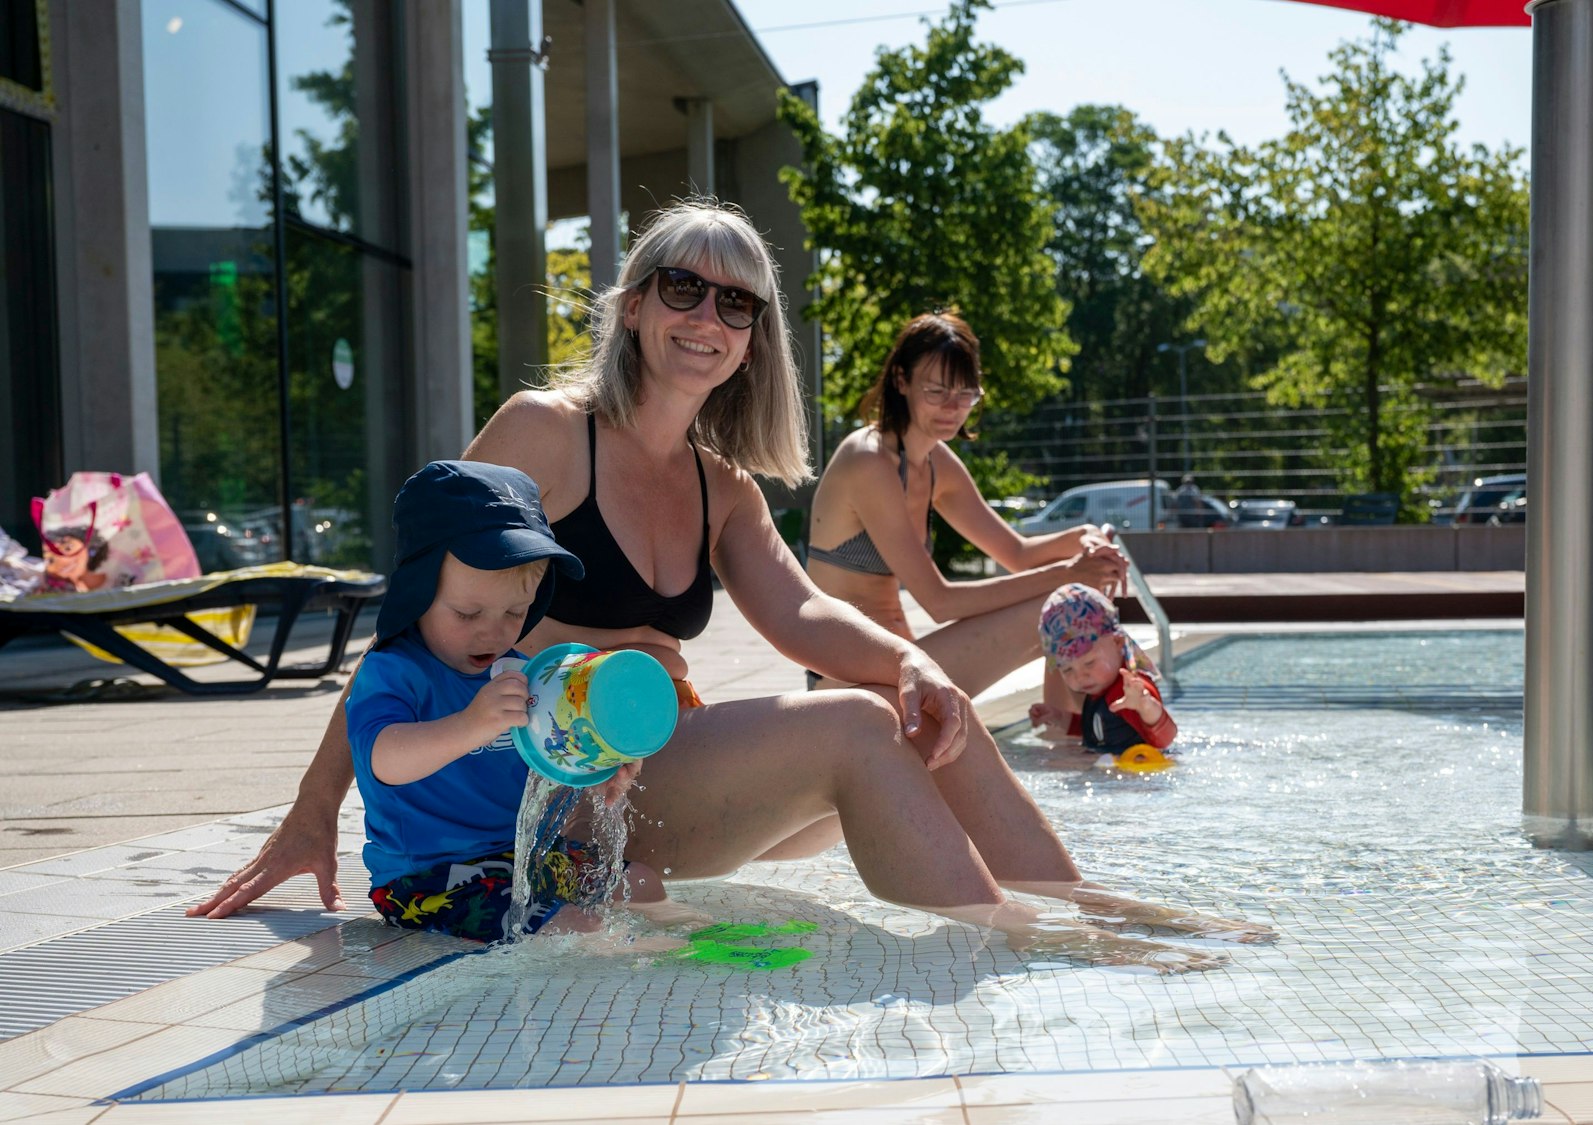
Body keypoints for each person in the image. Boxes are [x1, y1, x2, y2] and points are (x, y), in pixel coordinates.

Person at [192, 200, 1267, 964]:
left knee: (919, 708)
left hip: (640, 785)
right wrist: (308, 814)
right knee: (852, 726)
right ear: (632, 307)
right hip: (542, 798)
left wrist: (905, 666)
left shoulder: (723, 488)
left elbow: (802, 613)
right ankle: (1020, 938)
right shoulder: (545, 434)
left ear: (755, 340)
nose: (707, 316)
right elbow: (416, 618)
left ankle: (1074, 902)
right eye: (682, 287)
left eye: (736, 303)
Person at [348, 460, 675, 945]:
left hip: (519, 856)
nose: (493, 631)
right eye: (467, 612)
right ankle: (652, 961)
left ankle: (702, 949)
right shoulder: (394, 671)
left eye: (516, 613)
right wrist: (470, 723)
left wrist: (602, 760)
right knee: (570, 927)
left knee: (642, 881)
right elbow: (382, 759)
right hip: (428, 879)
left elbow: (556, 747)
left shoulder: (524, 671)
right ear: (418, 592)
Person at [804, 312, 1127, 699]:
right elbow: (940, 602)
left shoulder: (935, 463)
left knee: (1073, 595)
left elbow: (1017, 553)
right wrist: (1070, 572)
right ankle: (1069, 735)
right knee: (1065, 604)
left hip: (901, 664)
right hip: (849, 684)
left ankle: (1067, 734)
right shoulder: (868, 460)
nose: (952, 408)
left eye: (965, 394)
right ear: (901, 381)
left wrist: (1084, 539)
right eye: (937, 392)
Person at [1029, 584, 1177, 756]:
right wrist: (1059, 718)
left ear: (1117, 643)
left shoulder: (1131, 690)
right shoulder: (1100, 690)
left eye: (1089, 663)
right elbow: (1097, 730)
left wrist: (1147, 707)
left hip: (1139, 777)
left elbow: (1166, 739)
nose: (1079, 676)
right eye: (1067, 669)